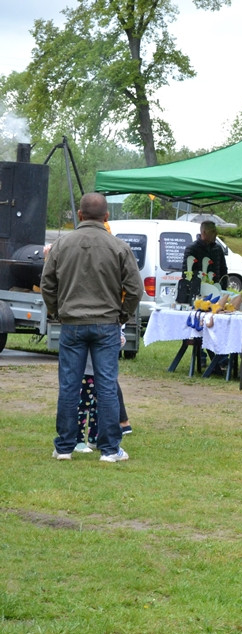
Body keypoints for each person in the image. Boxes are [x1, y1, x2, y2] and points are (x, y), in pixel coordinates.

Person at [42, 193, 142, 462]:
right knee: (106, 386)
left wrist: (56, 311)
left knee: (69, 386)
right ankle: (110, 450)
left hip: (72, 323)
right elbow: (135, 289)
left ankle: (64, 447)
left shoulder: (62, 245)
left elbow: (48, 284)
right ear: (107, 217)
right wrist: (122, 315)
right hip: (107, 324)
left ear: (80, 215)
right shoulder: (119, 247)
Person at [182, 220, 228, 288]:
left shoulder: (218, 249)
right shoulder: (192, 249)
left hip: (215, 288)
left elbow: (223, 270)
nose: (216, 234)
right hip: (198, 289)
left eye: (216, 231)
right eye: (212, 231)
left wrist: (223, 287)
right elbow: (187, 272)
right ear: (204, 232)